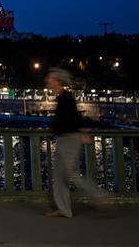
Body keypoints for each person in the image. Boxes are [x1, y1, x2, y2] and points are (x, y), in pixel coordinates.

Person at [44, 68, 105, 217]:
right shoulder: (61, 97)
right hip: (62, 139)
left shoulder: (66, 98)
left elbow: (74, 118)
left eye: (50, 78)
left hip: (69, 140)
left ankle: (101, 197)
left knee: (71, 173)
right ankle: (64, 210)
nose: (47, 80)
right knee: (59, 176)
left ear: (57, 81)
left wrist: (82, 131)